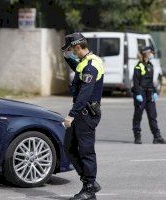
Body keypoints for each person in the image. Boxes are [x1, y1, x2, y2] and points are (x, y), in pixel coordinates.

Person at [62, 32, 104, 200]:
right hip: (82, 113)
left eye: (71, 49)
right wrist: (67, 57)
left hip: (86, 114)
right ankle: (89, 182)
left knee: (86, 151)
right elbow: (78, 69)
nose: (71, 51)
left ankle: (89, 188)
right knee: (69, 147)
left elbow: (84, 93)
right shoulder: (86, 62)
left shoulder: (91, 66)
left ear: (78, 47)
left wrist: (71, 115)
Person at [132, 46, 166, 144]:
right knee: (138, 116)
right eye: (151, 53)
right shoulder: (138, 66)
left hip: (149, 93)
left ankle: (157, 137)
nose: (152, 54)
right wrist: (138, 94)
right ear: (146, 53)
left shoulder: (150, 65)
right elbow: (135, 82)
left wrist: (155, 92)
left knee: (153, 115)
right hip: (141, 93)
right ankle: (137, 137)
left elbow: (151, 82)